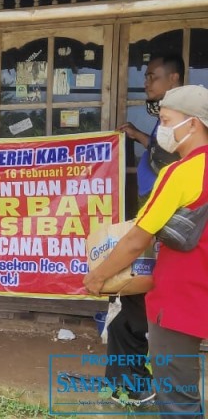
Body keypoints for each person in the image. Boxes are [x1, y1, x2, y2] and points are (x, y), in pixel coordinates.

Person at [84, 84, 208, 417]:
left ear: (193, 123)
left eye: (167, 121)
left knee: (178, 400)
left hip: (181, 297)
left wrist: (97, 277)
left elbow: (137, 240)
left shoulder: (181, 172)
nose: (162, 131)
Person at [104, 54, 184, 405]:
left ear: (174, 80)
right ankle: (136, 384)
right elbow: (159, 152)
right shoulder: (168, 123)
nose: (147, 83)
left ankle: (135, 387)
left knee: (131, 308)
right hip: (154, 222)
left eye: (152, 77)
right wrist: (139, 135)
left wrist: (98, 276)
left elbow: (168, 163)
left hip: (159, 226)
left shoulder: (184, 128)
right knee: (134, 307)